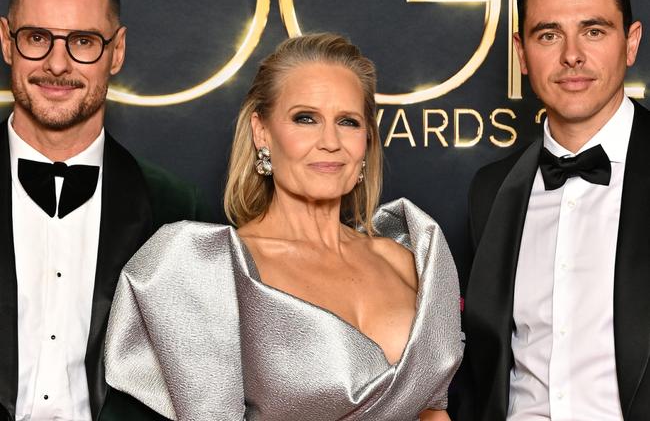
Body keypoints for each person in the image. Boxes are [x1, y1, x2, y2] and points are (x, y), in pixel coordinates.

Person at [100, 33, 463, 421]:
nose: (330, 142)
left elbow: (432, 413)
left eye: (348, 122)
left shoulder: (411, 261)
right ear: (262, 132)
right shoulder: (214, 271)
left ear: (367, 139)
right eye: (305, 119)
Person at [0, 0, 211, 421]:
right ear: (6, 41)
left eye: (83, 41)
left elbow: (198, 386)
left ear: (116, 52)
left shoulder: (175, 209)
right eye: (37, 37)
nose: (57, 64)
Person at [460, 0, 647, 421]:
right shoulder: (491, 190)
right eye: (548, 35)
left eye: (593, 30)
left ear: (630, 42)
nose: (571, 55)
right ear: (522, 54)